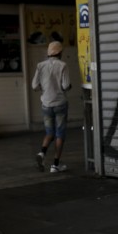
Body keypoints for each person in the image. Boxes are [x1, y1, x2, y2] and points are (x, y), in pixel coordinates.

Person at [32, 41, 71, 173]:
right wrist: (68, 87)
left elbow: (34, 86)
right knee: (60, 134)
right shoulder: (63, 65)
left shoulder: (40, 66)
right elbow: (66, 86)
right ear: (60, 52)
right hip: (60, 104)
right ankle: (55, 165)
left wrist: (44, 89)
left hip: (46, 104)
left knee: (49, 133)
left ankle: (42, 153)